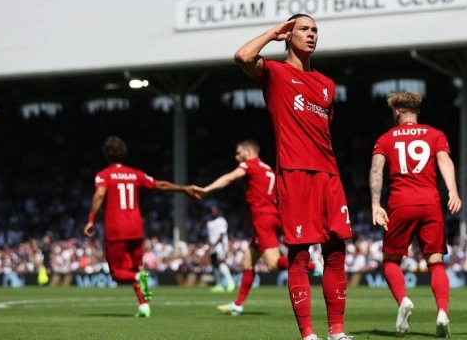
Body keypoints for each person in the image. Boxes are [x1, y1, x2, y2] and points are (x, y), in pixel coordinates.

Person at [234, 14, 353, 340]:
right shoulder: (275, 72)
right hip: (295, 172)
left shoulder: (328, 85)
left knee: (335, 251)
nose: (312, 34)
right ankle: (307, 334)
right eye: (304, 29)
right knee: (299, 254)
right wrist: (273, 33)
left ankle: (337, 332)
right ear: (289, 35)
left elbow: (324, 131)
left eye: (315, 30)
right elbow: (243, 57)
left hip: (328, 174)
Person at [369, 92, 462, 338]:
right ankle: (442, 311)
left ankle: (403, 300)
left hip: (401, 203)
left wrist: (376, 204)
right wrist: (452, 191)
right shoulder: (435, 134)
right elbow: (445, 160)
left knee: (390, 260)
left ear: (397, 112)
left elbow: (376, 170)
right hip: (430, 202)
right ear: (417, 112)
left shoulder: (385, 139)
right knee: (435, 262)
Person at [194, 140, 318, 315]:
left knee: (273, 264)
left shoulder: (249, 165)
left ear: (249, 151)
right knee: (248, 260)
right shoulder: (269, 169)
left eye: (239, 153)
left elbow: (230, 177)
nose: (236, 157)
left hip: (263, 219)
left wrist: (207, 189)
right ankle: (238, 304)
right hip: (273, 216)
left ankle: (314, 266)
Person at [83, 135, 197, 318]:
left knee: (118, 273)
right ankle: (144, 306)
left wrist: (91, 219)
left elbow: (99, 195)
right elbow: (160, 185)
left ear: (106, 156)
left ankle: (138, 279)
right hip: (136, 229)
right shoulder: (135, 174)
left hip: (116, 230)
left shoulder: (103, 175)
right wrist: (183, 189)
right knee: (135, 269)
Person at [206, 205, 236, 293]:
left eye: (215, 210)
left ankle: (231, 282)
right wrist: (209, 244)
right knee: (214, 264)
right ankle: (219, 284)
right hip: (212, 246)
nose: (213, 212)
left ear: (218, 211)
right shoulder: (209, 223)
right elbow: (209, 235)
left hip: (220, 246)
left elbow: (222, 235)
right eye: (212, 211)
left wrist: (213, 244)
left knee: (220, 263)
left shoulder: (221, 221)